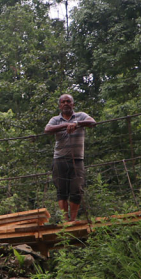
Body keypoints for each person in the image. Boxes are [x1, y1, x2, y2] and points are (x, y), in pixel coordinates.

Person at [44, 93, 96, 222]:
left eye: (68, 101)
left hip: (77, 159)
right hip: (59, 159)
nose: (66, 104)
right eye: (63, 102)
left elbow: (92, 122)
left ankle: (73, 219)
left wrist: (76, 123)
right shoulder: (56, 119)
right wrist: (65, 126)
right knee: (61, 189)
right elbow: (47, 129)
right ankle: (65, 220)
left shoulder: (81, 116)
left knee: (77, 189)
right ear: (60, 105)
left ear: (73, 104)